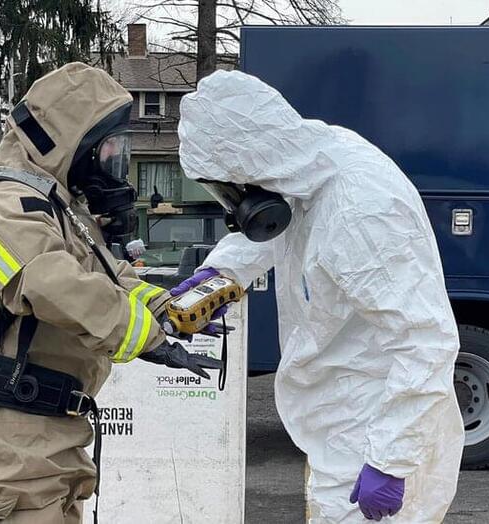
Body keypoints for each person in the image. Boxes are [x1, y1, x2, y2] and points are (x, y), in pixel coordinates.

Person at [174, 70, 464, 523]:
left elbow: (427, 340)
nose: (234, 204)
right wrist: (224, 271)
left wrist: (390, 460)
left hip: (374, 431)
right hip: (339, 421)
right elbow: (283, 222)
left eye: (229, 188)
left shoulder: (361, 213)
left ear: (253, 167)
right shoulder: (307, 161)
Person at [0, 62, 220, 523]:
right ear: (67, 141)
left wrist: (165, 309)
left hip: (50, 433)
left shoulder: (55, 209)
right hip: (11, 433)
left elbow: (105, 274)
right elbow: (47, 282)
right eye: (108, 149)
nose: (115, 163)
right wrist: (143, 335)